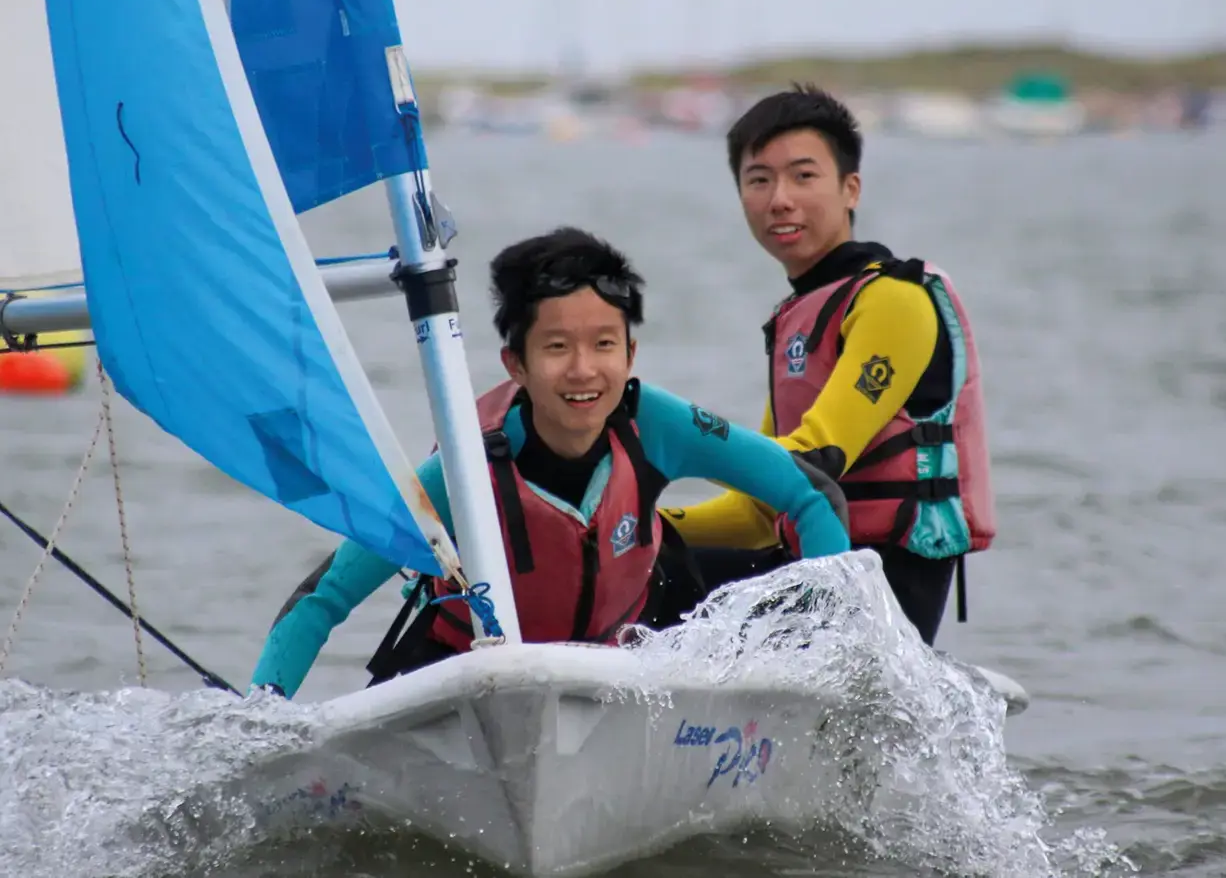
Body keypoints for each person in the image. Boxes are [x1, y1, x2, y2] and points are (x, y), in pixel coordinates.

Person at [250, 227, 851, 699]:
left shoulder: (659, 426)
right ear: (517, 364)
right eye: (557, 347)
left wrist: (829, 660)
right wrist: (263, 713)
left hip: (629, 656)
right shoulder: (463, 469)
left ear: (631, 353)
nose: (584, 370)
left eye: (604, 345)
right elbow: (323, 596)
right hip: (476, 674)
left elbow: (810, 494)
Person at [662, 84, 996, 646]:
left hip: (878, 595)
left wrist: (664, 447)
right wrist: (632, 525)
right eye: (758, 179)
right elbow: (752, 513)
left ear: (850, 189)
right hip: (805, 575)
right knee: (620, 561)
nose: (779, 199)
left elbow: (817, 456)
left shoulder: (894, 300)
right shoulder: (802, 315)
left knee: (647, 578)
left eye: (803, 176)